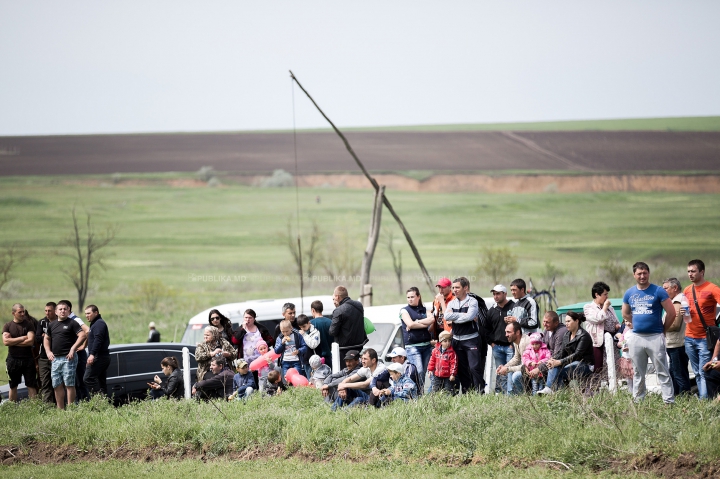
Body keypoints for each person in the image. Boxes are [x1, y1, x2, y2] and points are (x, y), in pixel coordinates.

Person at [621, 261, 675, 404]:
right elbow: (625, 313)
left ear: (649, 273)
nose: (642, 276)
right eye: (639, 273)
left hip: (655, 336)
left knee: (662, 371)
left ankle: (668, 402)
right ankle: (639, 402)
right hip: (636, 337)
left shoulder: (658, 291)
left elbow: (671, 312)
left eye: (645, 273)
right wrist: (635, 323)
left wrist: (663, 329)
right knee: (638, 372)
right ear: (634, 275)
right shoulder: (629, 293)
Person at [684, 259, 720, 400]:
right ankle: (703, 400)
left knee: (704, 370)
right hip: (689, 336)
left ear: (702, 272)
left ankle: (706, 401)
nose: (690, 274)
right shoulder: (687, 290)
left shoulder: (712, 288)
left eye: (693, 271)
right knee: (697, 373)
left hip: (705, 337)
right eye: (688, 271)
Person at [443, 277, 484, 393]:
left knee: (474, 368)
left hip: (471, 340)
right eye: (453, 287)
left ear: (465, 288)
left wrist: (455, 316)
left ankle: (480, 393)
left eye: (457, 287)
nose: (454, 290)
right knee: (461, 369)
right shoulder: (451, 303)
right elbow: (447, 317)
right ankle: (467, 393)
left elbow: (470, 317)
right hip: (456, 341)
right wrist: (463, 316)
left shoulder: (473, 301)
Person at [45, 300, 87, 409]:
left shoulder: (72, 323)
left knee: (69, 384)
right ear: (56, 312)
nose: (63, 311)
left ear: (68, 311)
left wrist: (73, 349)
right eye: (60, 309)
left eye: (65, 309)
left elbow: (82, 335)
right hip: (55, 359)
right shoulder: (52, 325)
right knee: (56, 385)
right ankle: (60, 410)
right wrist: (48, 352)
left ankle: (71, 409)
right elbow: (46, 338)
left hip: (69, 358)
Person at [538, 312, 594, 394]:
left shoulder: (584, 336)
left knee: (558, 368)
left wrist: (560, 362)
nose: (566, 324)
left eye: (569, 321)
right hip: (570, 363)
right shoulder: (567, 335)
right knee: (554, 366)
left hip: (585, 364)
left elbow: (577, 355)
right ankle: (561, 393)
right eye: (565, 321)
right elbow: (562, 352)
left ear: (576, 321)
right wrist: (553, 360)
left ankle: (551, 389)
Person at [584, 282, 621, 377]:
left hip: (611, 342)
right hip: (598, 343)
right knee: (599, 369)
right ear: (597, 294)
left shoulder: (610, 308)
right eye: (605, 294)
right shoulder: (588, 308)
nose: (607, 297)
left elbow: (616, 321)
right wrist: (604, 307)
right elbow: (598, 319)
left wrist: (617, 326)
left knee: (614, 367)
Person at [662, 278, 691, 395]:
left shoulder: (678, 301)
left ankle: (684, 399)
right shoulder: (674, 301)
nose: (663, 291)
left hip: (677, 344)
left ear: (675, 288)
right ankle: (676, 398)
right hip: (673, 343)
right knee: (674, 373)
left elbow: (675, 325)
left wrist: (658, 329)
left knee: (679, 374)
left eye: (666, 288)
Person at [400, 286, 433, 391]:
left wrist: (416, 322)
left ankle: (420, 392)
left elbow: (432, 319)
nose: (410, 299)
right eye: (408, 297)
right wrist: (422, 323)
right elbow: (409, 324)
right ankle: (417, 394)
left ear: (418, 297)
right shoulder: (404, 310)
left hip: (427, 346)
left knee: (423, 372)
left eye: (412, 297)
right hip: (413, 347)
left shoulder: (424, 310)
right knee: (418, 371)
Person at [2, 303, 38, 402]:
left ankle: (34, 407)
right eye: (20, 312)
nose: (22, 314)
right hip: (13, 360)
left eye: (23, 311)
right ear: (13, 313)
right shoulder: (7, 326)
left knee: (31, 384)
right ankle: (12, 408)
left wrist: (13, 341)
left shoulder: (29, 325)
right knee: (13, 385)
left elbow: (30, 341)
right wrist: (22, 338)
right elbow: (5, 342)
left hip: (28, 359)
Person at [233, 308, 274, 388]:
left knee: (262, 381)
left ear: (254, 319)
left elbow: (271, 340)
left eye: (250, 318)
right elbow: (235, 341)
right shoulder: (240, 329)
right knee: (250, 382)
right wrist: (243, 329)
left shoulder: (260, 328)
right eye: (246, 317)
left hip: (260, 361)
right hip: (246, 362)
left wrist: (263, 345)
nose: (247, 320)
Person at [486, 284, 515, 394]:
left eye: (498, 293)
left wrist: (513, 343)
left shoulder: (514, 307)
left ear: (505, 294)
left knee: (510, 371)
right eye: (494, 294)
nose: (495, 296)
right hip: (496, 347)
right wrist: (491, 343)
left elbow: (518, 328)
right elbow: (486, 329)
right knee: (500, 371)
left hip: (510, 347)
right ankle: (501, 394)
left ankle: (511, 394)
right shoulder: (492, 310)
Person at [527, 311, 567, 384]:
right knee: (518, 375)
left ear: (556, 323)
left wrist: (539, 368)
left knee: (552, 367)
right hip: (543, 362)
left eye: (547, 322)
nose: (544, 324)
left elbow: (556, 356)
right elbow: (541, 349)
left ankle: (549, 390)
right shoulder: (547, 330)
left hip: (559, 363)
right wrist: (530, 363)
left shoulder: (561, 332)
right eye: (544, 321)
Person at [329, 286, 367, 357]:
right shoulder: (359, 305)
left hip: (344, 350)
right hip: (359, 347)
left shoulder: (338, 310)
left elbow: (332, 331)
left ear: (337, 297)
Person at [496, 322, 531, 395]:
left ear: (517, 332)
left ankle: (525, 395)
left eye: (508, 332)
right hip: (527, 369)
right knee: (511, 370)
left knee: (516, 375)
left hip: (533, 369)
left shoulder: (524, 342)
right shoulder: (516, 341)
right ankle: (511, 395)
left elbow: (525, 366)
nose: (506, 335)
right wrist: (505, 366)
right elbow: (516, 358)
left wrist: (508, 369)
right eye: (506, 332)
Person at [83, 304, 111, 396]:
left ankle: (99, 399)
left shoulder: (99, 324)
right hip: (101, 356)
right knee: (100, 381)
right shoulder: (95, 323)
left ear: (96, 312)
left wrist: (92, 354)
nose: (87, 315)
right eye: (86, 314)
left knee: (88, 378)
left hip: (99, 356)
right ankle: (104, 403)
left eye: (89, 313)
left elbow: (98, 339)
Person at [36, 302, 57, 403]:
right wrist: (44, 337)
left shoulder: (60, 321)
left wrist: (47, 336)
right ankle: (48, 406)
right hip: (44, 357)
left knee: (57, 382)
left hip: (57, 356)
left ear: (55, 311)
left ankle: (60, 405)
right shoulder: (42, 322)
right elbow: (37, 338)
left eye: (49, 311)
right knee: (45, 382)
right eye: (46, 311)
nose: (47, 313)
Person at [310, 300, 334, 366]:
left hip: (316, 359)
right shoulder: (330, 322)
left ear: (313, 310)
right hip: (330, 356)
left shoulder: (311, 324)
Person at [297, 314, 321, 378]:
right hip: (304, 361)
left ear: (309, 322)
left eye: (304, 326)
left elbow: (313, 345)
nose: (303, 329)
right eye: (301, 327)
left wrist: (304, 335)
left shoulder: (315, 332)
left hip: (313, 362)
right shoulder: (299, 333)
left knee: (314, 380)